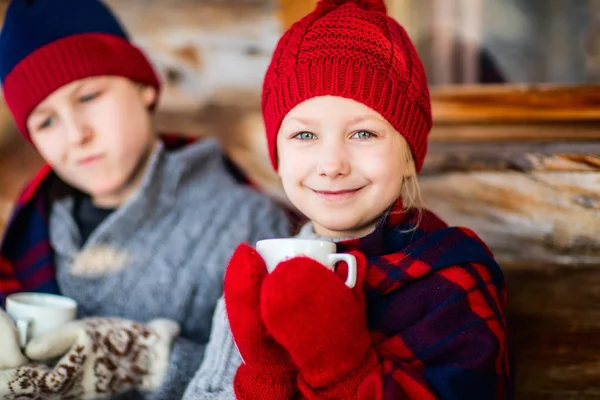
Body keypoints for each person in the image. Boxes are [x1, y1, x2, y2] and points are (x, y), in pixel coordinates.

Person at [183, 0, 513, 398]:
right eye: (305, 136)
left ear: (409, 156)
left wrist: (346, 371)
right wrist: (266, 376)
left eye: (363, 134)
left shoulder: (452, 276)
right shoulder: (262, 275)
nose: (332, 164)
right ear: (278, 156)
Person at [0, 0, 290, 399]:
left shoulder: (244, 222)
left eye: (88, 97)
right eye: (47, 121)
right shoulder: (31, 226)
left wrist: (146, 361)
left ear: (145, 87)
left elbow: (263, 381)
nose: (75, 134)